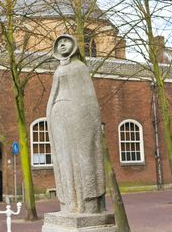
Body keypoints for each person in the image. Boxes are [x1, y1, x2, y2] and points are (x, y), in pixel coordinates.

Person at [47, 34, 105, 214]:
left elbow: (88, 98)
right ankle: (69, 202)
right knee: (64, 159)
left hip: (77, 116)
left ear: (74, 45)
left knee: (82, 157)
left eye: (66, 41)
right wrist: (50, 114)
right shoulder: (57, 70)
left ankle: (86, 203)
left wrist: (90, 121)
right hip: (59, 118)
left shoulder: (80, 68)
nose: (62, 44)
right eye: (59, 43)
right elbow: (53, 96)